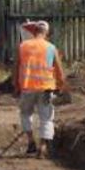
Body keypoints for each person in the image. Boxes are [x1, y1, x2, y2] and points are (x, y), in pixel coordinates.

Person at [13, 20, 67, 158]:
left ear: (34, 31)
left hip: (27, 86)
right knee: (46, 118)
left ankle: (31, 141)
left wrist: (16, 85)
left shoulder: (23, 46)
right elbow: (60, 72)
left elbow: (16, 68)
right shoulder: (51, 48)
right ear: (46, 33)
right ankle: (42, 147)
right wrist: (61, 87)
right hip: (45, 88)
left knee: (25, 114)